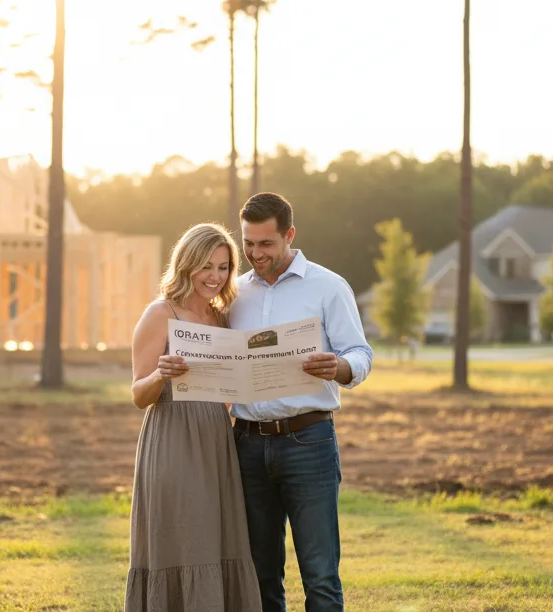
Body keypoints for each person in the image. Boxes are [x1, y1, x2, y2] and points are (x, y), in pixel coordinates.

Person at [227, 193, 374, 612]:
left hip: (307, 441)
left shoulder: (328, 287)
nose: (255, 254)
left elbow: (361, 354)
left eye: (266, 244)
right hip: (247, 445)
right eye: (249, 244)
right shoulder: (235, 293)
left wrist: (340, 367)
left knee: (320, 574)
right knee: (260, 573)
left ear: (289, 235)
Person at [124, 223, 262, 612]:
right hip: (172, 439)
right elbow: (138, 394)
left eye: (223, 267)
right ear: (186, 266)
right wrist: (160, 374)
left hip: (217, 441)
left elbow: (228, 390)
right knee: (186, 537)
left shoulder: (223, 320)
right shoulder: (160, 314)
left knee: (219, 538)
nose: (215, 277)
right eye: (206, 267)